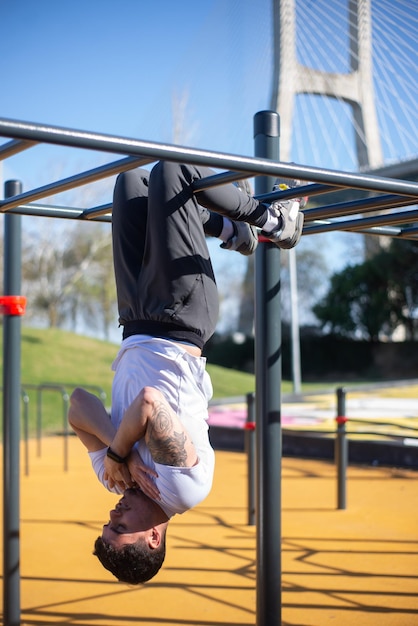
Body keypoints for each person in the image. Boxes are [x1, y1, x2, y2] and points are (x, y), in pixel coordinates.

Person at [68, 160, 306, 584]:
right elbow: (148, 404)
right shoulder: (181, 489)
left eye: (106, 523)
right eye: (120, 528)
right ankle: (274, 222)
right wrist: (119, 454)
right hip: (182, 317)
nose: (112, 514)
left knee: (132, 184)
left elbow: (78, 404)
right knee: (173, 171)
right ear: (153, 537)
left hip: (134, 318)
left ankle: (232, 232)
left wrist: (115, 452)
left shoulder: (118, 482)